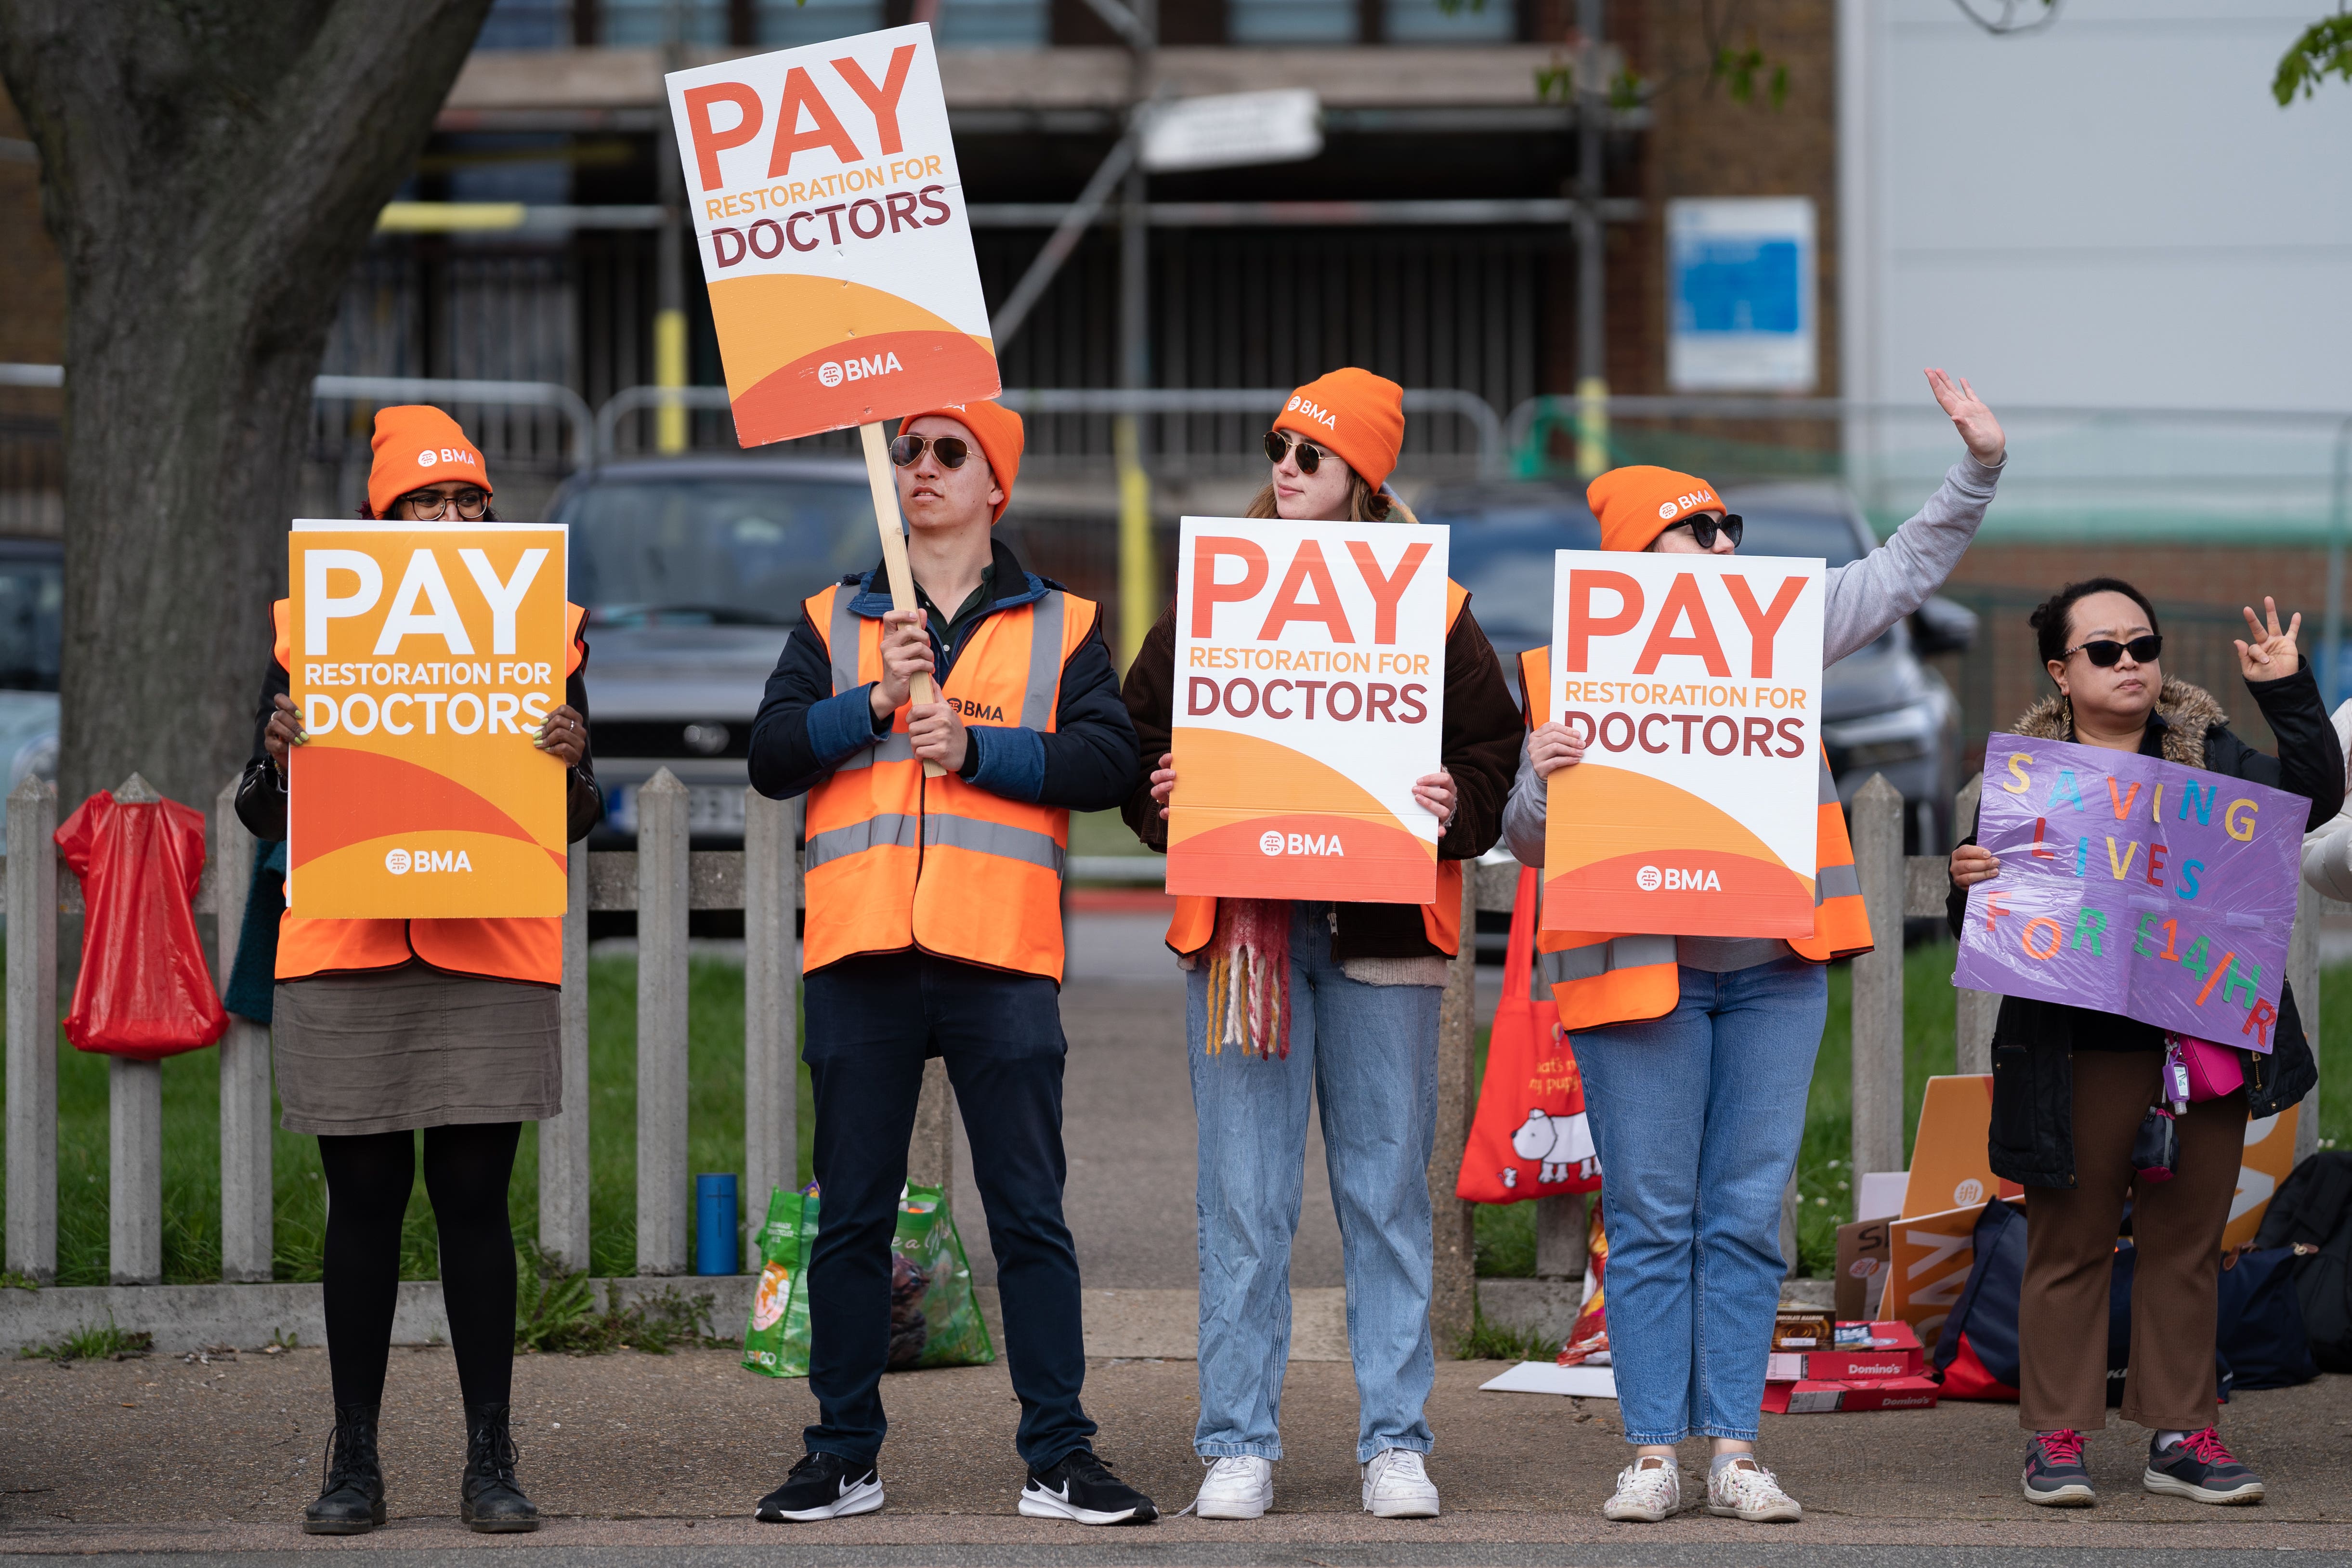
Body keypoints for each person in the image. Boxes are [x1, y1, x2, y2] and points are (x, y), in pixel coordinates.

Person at [1502, 370, 2007, 1524]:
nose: (1727, 540)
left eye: (1731, 523)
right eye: (1698, 526)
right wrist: (1541, 772)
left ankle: (1733, 1446)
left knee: (1741, 1215)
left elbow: (1902, 569)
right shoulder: (1565, 675)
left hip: (1773, 970)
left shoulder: (1783, 635)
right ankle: (1649, 1453)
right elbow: (1526, 843)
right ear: (1639, 554)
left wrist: (1977, 468)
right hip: (1643, 976)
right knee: (1650, 1216)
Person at [1119, 369, 1524, 1521]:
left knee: (1386, 1194)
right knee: (1242, 1201)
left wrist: (1462, 798)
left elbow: (1495, 748)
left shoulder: (1431, 608)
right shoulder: (1215, 592)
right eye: (1279, 448)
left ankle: (1395, 1440)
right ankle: (1237, 1440)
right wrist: (1166, 792)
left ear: (1364, 478)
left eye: (1310, 454)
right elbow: (1137, 728)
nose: (1284, 469)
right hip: (1245, 937)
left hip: (1382, 936)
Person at [745, 399, 1154, 1527]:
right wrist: (870, 701)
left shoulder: (1065, 623)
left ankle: (1060, 1455)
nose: (919, 468)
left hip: (1000, 951)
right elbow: (772, 753)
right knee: (851, 1219)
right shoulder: (835, 615)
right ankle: (841, 1453)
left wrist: (979, 749)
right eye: (906, 451)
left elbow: (1109, 759)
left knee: (1031, 1214)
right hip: (862, 948)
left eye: (946, 452)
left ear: (994, 486)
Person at [236, 406, 602, 1535]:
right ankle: (354, 1462)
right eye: (423, 503)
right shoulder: (312, 628)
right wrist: (279, 756)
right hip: (347, 947)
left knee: (474, 1204)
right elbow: (258, 810)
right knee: (362, 1207)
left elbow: (579, 815)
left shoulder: (550, 630)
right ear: (379, 521)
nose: (450, 520)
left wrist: (571, 764)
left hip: (488, 947)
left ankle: (489, 1460)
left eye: (467, 500)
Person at [1947, 578, 2333, 1508]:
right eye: (2106, 651)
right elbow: (1984, 916)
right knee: (2069, 1244)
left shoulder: (2209, 755)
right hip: (2074, 1052)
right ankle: (2057, 1438)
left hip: (2197, 1048)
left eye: (2144, 646)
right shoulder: (2031, 778)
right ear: (2061, 670)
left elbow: (2315, 800)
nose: (2132, 665)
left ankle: (2181, 1435)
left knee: (2188, 1247)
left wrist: (2286, 688)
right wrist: (1971, 877)